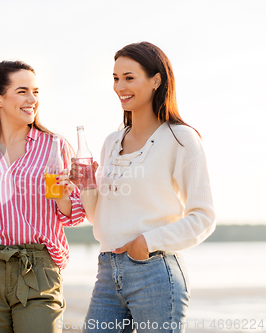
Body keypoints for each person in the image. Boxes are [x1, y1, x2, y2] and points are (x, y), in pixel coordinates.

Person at [73, 42, 216, 332]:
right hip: (107, 270)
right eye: (115, 78)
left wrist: (145, 244)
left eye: (129, 77)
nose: (119, 86)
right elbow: (99, 217)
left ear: (156, 80)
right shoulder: (111, 142)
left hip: (154, 272)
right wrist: (84, 184)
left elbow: (203, 217)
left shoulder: (182, 139)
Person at [0, 60, 86, 333]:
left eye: (36, 91)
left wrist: (63, 194)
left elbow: (73, 214)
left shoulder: (53, 146)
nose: (32, 99)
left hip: (39, 267)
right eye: (22, 91)